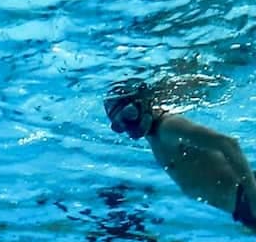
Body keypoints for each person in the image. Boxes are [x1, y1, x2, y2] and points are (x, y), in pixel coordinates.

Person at [105, 79, 256, 229]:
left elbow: (228, 144)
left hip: (247, 198)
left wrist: (251, 192)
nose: (127, 125)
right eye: (118, 125)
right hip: (241, 208)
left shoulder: (169, 126)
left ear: (143, 103)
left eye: (128, 114)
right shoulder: (154, 136)